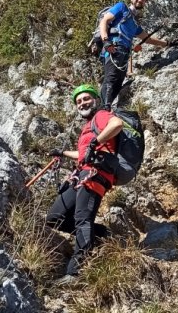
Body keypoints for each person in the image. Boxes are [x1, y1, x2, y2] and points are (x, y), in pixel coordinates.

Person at [46, 84, 123, 283]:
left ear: (95, 100)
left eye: (86, 98)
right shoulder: (87, 127)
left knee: (82, 218)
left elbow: (116, 125)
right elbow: (83, 154)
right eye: (78, 101)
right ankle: (103, 234)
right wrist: (62, 153)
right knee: (55, 217)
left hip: (96, 174)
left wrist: (95, 142)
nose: (82, 103)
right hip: (82, 174)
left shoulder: (101, 116)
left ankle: (76, 272)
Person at [99, 0, 178, 111]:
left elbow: (148, 39)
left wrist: (168, 43)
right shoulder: (121, 7)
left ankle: (107, 110)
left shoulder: (135, 24)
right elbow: (104, 20)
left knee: (117, 83)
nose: (140, 0)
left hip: (124, 54)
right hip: (113, 47)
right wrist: (105, 41)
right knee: (111, 78)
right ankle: (103, 111)